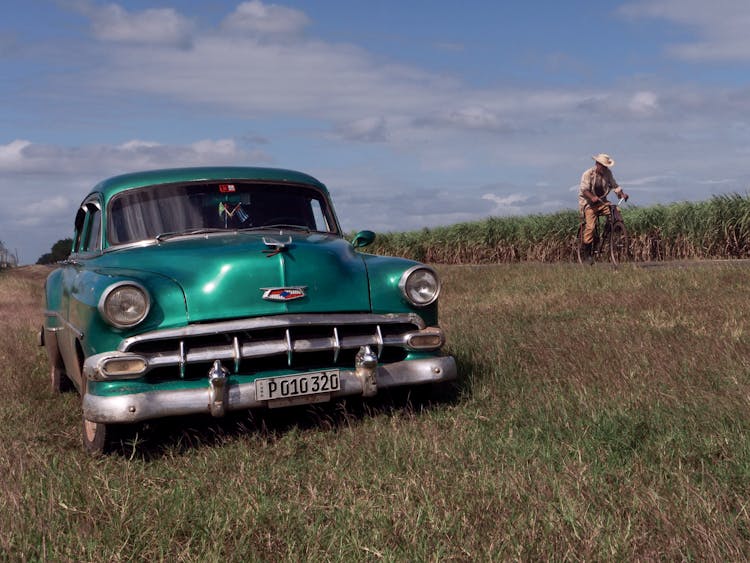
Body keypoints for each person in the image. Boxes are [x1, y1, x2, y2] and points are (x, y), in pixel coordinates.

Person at [578, 153, 629, 263]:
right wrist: (592, 197)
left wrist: (622, 194)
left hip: (602, 202)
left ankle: (614, 228)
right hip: (589, 204)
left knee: (615, 210)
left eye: (606, 166)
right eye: (603, 166)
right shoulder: (588, 174)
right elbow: (584, 190)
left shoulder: (608, 174)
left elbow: (615, 186)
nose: (605, 168)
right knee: (590, 228)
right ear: (597, 164)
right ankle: (587, 254)